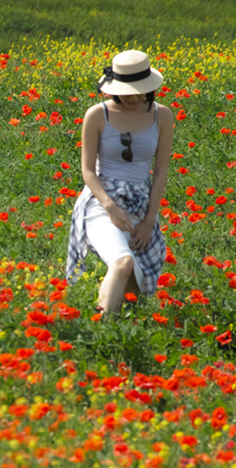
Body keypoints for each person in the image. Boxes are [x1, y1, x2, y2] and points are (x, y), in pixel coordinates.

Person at [66, 50, 174, 314]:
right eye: (126, 90)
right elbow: (88, 171)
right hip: (101, 201)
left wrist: (149, 221)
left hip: (140, 203)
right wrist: (110, 207)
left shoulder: (163, 116)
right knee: (123, 262)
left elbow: (160, 171)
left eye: (139, 90)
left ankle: (113, 334)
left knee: (133, 292)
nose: (133, 96)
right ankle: (98, 330)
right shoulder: (97, 115)